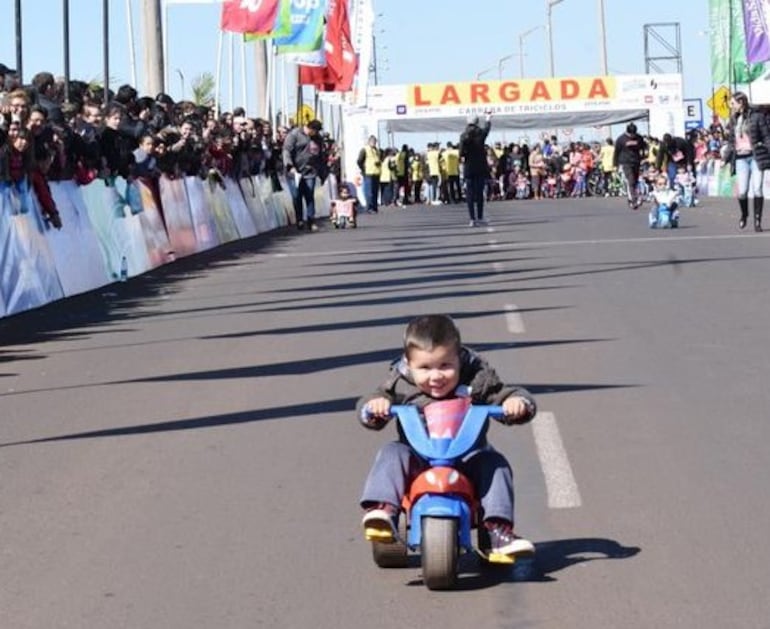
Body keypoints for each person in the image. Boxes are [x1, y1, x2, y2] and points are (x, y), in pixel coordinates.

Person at [357, 314, 537, 559]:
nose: (436, 376)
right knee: (392, 452)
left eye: (445, 366)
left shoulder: (477, 379)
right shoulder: (401, 384)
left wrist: (516, 403)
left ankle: (497, 531)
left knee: (494, 463)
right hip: (417, 458)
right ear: (409, 365)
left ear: (459, 360)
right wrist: (374, 408)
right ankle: (382, 511)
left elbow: (501, 394)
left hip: (467, 458)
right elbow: (373, 400)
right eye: (425, 368)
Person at [282, 119, 327, 231]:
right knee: (296, 196)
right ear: (310, 128)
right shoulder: (294, 134)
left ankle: (311, 220)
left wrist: (322, 171)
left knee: (309, 196)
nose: (316, 134)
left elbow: (321, 155)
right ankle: (299, 220)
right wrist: (289, 165)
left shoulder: (317, 139)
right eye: (315, 131)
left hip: (310, 172)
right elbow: (286, 151)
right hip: (294, 172)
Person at [459, 111, 492, 226]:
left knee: (469, 194)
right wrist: (488, 118)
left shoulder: (463, 136)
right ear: (477, 122)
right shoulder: (480, 134)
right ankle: (480, 216)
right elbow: (487, 129)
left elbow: (461, 153)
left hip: (469, 167)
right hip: (480, 166)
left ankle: (472, 218)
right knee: (479, 193)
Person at [613, 122, 647, 209]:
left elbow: (644, 147)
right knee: (630, 180)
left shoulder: (639, 138)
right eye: (631, 134)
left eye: (634, 134)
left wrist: (643, 157)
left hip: (636, 161)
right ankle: (633, 200)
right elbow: (616, 152)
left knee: (635, 181)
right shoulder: (621, 139)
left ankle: (631, 197)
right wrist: (615, 164)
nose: (632, 136)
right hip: (625, 162)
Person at [356, 135, 381, 214]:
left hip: (376, 172)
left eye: (375, 142)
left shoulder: (377, 150)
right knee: (369, 192)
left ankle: (374, 207)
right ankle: (369, 207)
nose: (374, 143)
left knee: (375, 191)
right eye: (372, 141)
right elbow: (359, 160)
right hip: (368, 173)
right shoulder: (364, 149)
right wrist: (363, 169)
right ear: (369, 142)